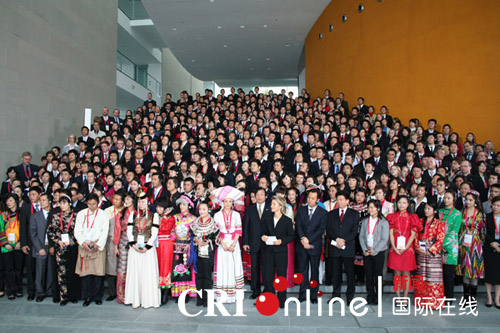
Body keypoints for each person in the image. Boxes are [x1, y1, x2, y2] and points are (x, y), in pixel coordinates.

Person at [124, 192, 161, 308]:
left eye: (143, 201)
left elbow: (154, 233)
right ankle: (135, 299)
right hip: (134, 249)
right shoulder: (133, 215)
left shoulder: (153, 215)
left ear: (148, 203)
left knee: (147, 274)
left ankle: (148, 300)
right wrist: (133, 244)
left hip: (148, 250)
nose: (141, 204)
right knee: (135, 273)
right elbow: (129, 231)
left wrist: (147, 246)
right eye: (139, 201)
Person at [74, 193, 109, 306]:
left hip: (97, 245)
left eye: (94, 204)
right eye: (89, 204)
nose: (92, 207)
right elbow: (77, 230)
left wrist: (98, 244)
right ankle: (87, 296)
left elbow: (105, 231)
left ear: (98, 203)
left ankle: (97, 296)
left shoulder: (103, 214)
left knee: (98, 273)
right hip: (85, 245)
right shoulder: (81, 214)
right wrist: (83, 242)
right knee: (86, 273)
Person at [46, 192, 81, 305]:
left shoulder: (76, 216)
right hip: (60, 248)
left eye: (64, 203)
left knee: (73, 272)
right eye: (60, 203)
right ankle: (63, 296)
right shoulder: (56, 216)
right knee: (61, 272)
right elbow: (50, 231)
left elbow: (80, 231)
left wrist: (74, 241)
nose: (62, 205)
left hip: (73, 247)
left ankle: (73, 295)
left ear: (69, 203)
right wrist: (58, 241)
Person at [326, 190, 360, 305]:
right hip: (335, 247)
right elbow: (329, 230)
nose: (339, 202)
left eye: (341, 200)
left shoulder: (354, 214)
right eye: (338, 200)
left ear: (347, 201)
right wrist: (337, 239)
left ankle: (350, 296)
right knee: (336, 273)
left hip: (348, 247)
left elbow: (354, 231)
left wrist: (344, 241)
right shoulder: (331, 214)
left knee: (350, 273)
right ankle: (335, 295)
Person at [261, 195, 295, 308]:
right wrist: (263, 237)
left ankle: (281, 300)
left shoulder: (287, 220)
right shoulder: (267, 218)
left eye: (274, 204)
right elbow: (263, 232)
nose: (271, 206)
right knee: (269, 276)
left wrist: (282, 241)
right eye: (271, 204)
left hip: (281, 252)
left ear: (280, 206)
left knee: (281, 276)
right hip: (269, 251)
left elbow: (291, 236)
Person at [213, 187, 245, 303]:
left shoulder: (236, 215)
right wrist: (222, 243)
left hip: (233, 243)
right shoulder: (217, 215)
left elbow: (238, 230)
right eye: (225, 201)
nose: (227, 203)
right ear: (222, 202)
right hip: (221, 242)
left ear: (233, 203)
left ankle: (234, 294)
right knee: (222, 265)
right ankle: (222, 294)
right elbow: (215, 230)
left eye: (230, 201)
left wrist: (233, 245)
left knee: (234, 265)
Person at [295, 188, 327, 303]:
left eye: (313, 198)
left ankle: (313, 295)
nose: (310, 200)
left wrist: (309, 240)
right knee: (303, 271)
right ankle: (302, 294)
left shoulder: (322, 212)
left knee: (314, 271)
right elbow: (298, 226)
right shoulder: (301, 210)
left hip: (315, 245)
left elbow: (321, 229)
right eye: (309, 197)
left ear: (318, 200)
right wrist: (303, 239)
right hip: (302, 245)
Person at [386, 195, 419, 303]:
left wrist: (405, 247)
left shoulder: (412, 217)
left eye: (404, 203)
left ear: (408, 204)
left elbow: (413, 235)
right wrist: (394, 247)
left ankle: (405, 297)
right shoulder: (392, 216)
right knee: (396, 274)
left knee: (406, 274)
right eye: (400, 202)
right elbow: (390, 233)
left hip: (407, 249)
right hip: (395, 248)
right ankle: (398, 296)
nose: (401, 205)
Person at [414, 202, 445, 309]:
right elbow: (415, 236)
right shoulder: (420, 221)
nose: (426, 210)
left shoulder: (438, 223)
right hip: (421, 250)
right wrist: (417, 247)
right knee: (421, 274)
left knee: (433, 276)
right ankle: (420, 300)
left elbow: (440, 238)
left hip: (432, 253)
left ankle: (434, 301)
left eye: (429, 209)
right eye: (426, 209)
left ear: (434, 210)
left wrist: (431, 250)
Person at [456, 190, 486, 302]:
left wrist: (479, 243)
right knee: (465, 269)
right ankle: (465, 297)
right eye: (466, 200)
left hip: (475, 244)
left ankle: (472, 299)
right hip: (463, 243)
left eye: (470, 200)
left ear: (475, 201)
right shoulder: (462, 212)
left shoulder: (480, 214)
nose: (468, 202)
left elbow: (483, 231)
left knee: (473, 271)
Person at [359, 199, 389, 305]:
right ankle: (370, 295)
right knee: (368, 274)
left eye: (372, 207)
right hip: (367, 251)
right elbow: (361, 236)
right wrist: (365, 250)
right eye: (369, 207)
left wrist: (375, 250)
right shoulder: (365, 221)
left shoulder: (383, 222)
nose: (370, 209)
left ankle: (378, 296)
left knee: (378, 275)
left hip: (378, 252)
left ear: (378, 208)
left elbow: (384, 239)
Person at [242, 187, 270, 299]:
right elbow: (246, 227)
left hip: (267, 243)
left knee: (267, 268)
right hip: (253, 243)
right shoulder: (250, 209)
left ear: (265, 196)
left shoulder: (270, 208)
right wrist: (245, 242)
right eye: (257, 195)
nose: (259, 197)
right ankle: (255, 290)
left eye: (261, 195)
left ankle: (267, 290)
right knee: (254, 268)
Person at [191, 201, 219, 307]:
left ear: (208, 210)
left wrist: (208, 241)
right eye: (200, 209)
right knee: (199, 275)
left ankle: (207, 298)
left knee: (207, 276)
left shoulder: (213, 224)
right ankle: (199, 298)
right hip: (198, 252)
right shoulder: (195, 223)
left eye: (204, 209)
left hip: (208, 252)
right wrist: (197, 241)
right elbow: (192, 235)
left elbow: (216, 238)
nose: (202, 211)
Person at [171, 195, 197, 302]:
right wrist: (173, 240)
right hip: (177, 245)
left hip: (187, 246)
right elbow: (172, 230)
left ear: (189, 206)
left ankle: (186, 293)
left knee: (187, 269)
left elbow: (195, 234)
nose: (182, 206)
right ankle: (178, 292)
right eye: (180, 204)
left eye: (184, 204)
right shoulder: (176, 217)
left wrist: (189, 243)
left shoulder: (193, 219)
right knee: (177, 268)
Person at [29, 192, 53, 302]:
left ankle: (49, 290)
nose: (41, 202)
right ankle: (40, 292)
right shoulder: (35, 216)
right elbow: (33, 234)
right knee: (40, 271)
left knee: (50, 269)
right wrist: (39, 248)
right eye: (40, 200)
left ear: (49, 201)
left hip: (51, 246)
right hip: (41, 247)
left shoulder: (54, 214)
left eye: (43, 200)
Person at [439, 190, 462, 302]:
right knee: (439, 273)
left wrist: (442, 244)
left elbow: (454, 231)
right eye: (445, 198)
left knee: (448, 273)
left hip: (450, 247)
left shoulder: (457, 213)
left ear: (453, 199)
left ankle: (449, 297)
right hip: (438, 246)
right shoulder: (439, 211)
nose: (446, 200)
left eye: (449, 198)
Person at [0, 193, 23, 299]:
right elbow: (1, 229)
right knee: (8, 269)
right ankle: (10, 290)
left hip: (18, 245)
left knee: (18, 269)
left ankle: (18, 289)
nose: (8, 203)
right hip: (7, 246)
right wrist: (5, 243)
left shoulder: (21, 213)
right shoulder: (3, 215)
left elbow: (24, 229)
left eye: (10, 200)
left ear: (15, 201)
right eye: (7, 201)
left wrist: (21, 242)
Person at [104, 190, 125, 302]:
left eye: (117, 199)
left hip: (123, 241)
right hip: (110, 241)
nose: (115, 201)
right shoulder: (107, 211)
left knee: (122, 267)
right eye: (114, 199)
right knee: (111, 268)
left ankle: (122, 291)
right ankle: (112, 293)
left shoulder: (125, 210)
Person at [115, 192, 134, 304]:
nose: (125, 202)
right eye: (125, 200)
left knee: (134, 268)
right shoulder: (121, 213)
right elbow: (117, 230)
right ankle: (122, 295)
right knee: (123, 268)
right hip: (123, 240)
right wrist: (116, 245)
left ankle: (133, 294)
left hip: (136, 242)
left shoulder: (137, 212)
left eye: (128, 199)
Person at [155, 198, 175, 305]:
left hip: (166, 243)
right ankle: (157, 292)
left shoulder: (170, 218)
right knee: (157, 266)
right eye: (157, 207)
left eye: (160, 207)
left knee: (166, 267)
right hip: (156, 244)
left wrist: (165, 217)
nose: (158, 209)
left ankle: (165, 293)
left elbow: (165, 228)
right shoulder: (155, 217)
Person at [483, 196, 500, 308]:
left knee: (499, 275)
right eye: (494, 205)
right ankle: (489, 297)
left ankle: (497, 298)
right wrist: (493, 243)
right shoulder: (487, 217)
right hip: (489, 247)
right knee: (488, 273)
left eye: (498, 206)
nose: (495, 207)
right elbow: (485, 232)